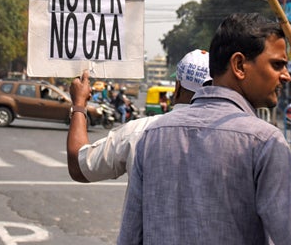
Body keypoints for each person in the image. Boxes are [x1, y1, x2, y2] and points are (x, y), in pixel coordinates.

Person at [117, 13, 291, 244]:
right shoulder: (264, 142)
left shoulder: (153, 135)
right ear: (240, 65)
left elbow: (129, 238)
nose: (286, 76)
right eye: (277, 65)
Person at [66, 49, 211, 183]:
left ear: (177, 88)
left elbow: (79, 167)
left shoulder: (139, 132)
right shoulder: (231, 135)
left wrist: (79, 104)